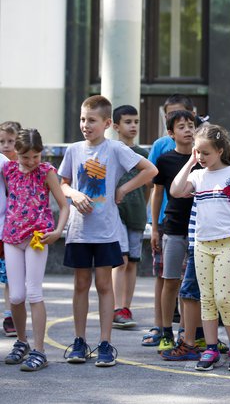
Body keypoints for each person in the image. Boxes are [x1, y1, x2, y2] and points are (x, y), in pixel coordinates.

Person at [59, 95, 157, 367]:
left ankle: (105, 343)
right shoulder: (74, 150)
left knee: (104, 285)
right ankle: (79, 341)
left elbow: (150, 170)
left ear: (106, 123)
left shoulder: (114, 149)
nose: (85, 125)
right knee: (80, 285)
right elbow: (62, 184)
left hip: (105, 231)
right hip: (79, 231)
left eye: (91, 120)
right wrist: (74, 194)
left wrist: (123, 188)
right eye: (82, 119)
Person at [170, 124, 230, 372]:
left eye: (205, 153)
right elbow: (176, 191)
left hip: (228, 243)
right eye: (197, 152)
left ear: (220, 151)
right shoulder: (197, 176)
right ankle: (210, 348)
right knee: (206, 299)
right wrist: (190, 162)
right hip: (202, 245)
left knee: (223, 297)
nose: (201, 157)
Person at [1, 129, 69, 371]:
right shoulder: (7, 169)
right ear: (16, 154)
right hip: (11, 237)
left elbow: (64, 205)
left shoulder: (46, 172)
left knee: (33, 293)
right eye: (25, 157)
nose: (30, 162)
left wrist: (58, 231)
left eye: (35, 156)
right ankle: (22, 342)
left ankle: (40, 351)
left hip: (37, 238)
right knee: (16, 296)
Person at [143, 94, 195, 347]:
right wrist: (154, 227)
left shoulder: (203, 159)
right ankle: (165, 331)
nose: (187, 130)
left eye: (191, 126)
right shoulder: (165, 159)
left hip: (198, 230)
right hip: (172, 229)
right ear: (170, 133)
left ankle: (187, 333)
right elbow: (157, 194)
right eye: (181, 127)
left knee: (190, 285)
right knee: (170, 281)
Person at [111, 105, 150, 329]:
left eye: (135, 121)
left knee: (133, 261)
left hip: (136, 214)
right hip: (115, 214)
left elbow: (149, 187)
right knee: (121, 260)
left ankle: (126, 306)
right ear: (116, 126)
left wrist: (141, 208)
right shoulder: (111, 150)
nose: (133, 125)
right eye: (127, 122)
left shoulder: (143, 155)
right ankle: (117, 307)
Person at [0, 120, 21, 337]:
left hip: (9, 230)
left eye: (11, 141)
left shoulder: (14, 166)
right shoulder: (2, 163)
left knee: (10, 277)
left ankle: (9, 316)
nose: (6, 145)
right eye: (1, 141)